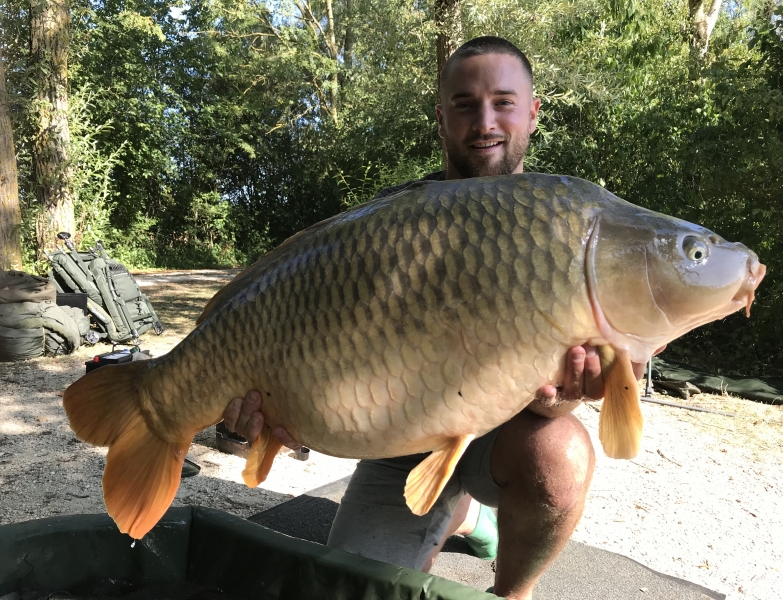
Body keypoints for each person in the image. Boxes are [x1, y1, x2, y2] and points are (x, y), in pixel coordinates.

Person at [222, 36, 654, 600]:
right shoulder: (395, 221)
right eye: (464, 104)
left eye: (503, 101)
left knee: (560, 455)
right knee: (348, 592)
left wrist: (568, 394)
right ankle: (466, 519)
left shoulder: (565, 229)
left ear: (532, 111)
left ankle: (512, 592)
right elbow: (331, 364)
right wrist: (258, 417)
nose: (485, 121)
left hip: (501, 437)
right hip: (400, 445)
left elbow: (551, 402)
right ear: (441, 117)